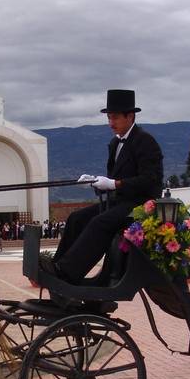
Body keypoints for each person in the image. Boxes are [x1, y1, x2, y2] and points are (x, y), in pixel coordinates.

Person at [43, 89, 164, 283]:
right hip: (119, 202)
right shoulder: (115, 144)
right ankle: (56, 269)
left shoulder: (145, 141)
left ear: (130, 116)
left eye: (114, 118)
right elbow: (111, 183)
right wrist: (95, 183)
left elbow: (151, 180)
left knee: (100, 222)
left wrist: (115, 184)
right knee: (76, 218)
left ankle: (68, 273)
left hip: (140, 205)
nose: (110, 123)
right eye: (109, 118)